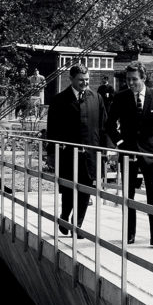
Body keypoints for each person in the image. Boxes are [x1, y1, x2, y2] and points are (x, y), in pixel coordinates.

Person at [107, 62, 153, 247]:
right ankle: (130, 234)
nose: (131, 83)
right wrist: (120, 143)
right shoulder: (120, 97)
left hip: (150, 153)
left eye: (134, 79)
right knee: (129, 195)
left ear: (143, 78)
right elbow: (109, 124)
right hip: (128, 153)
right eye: (128, 80)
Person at [46, 65, 108, 236]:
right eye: (81, 80)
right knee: (68, 189)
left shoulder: (96, 98)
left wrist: (104, 152)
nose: (84, 83)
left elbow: (103, 127)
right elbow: (52, 129)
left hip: (90, 153)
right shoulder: (59, 100)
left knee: (86, 190)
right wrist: (51, 153)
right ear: (71, 79)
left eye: (87, 79)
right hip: (68, 154)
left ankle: (77, 224)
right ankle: (65, 216)